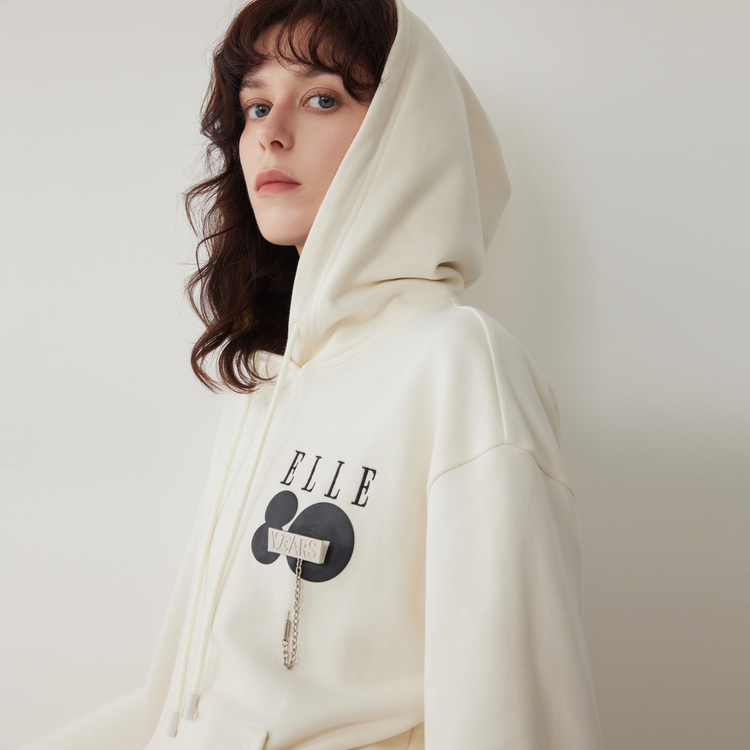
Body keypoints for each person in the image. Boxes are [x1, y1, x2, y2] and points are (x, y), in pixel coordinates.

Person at [20, 0, 604, 748]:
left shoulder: (460, 365)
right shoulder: (268, 384)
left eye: (322, 98)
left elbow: (508, 708)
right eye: (256, 105)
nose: (271, 133)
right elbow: (192, 702)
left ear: (402, 132)